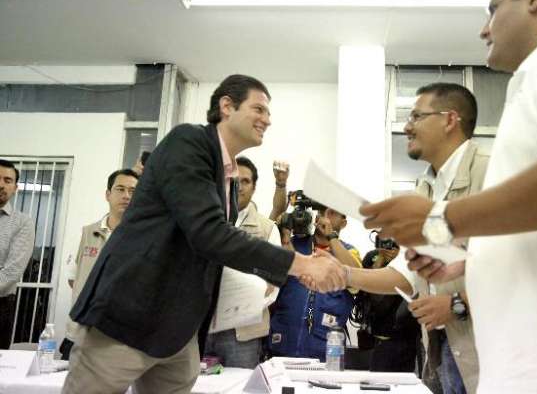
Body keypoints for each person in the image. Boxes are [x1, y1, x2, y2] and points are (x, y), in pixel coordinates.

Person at [361, 0, 537, 393]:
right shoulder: (534, 82)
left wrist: (442, 222)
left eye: (493, 8)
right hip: (524, 364)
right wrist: (470, 259)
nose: (485, 29)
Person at [62, 74, 347, 394]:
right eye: (259, 109)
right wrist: (302, 265)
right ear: (227, 105)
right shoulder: (189, 142)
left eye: (268, 113)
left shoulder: (228, 179)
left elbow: (214, 247)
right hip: (128, 319)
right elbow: (210, 234)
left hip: (178, 334)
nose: (267, 119)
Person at [346, 83, 487, 394]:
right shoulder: (425, 190)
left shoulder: (490, 172)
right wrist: (342, 273)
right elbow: (404, 275)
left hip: (490, 351)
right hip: (444, 349)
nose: (407, 127)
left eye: (416, 116)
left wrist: (459, 305)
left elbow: (521, 265)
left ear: (450, 120)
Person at [202, 156, 281, 368]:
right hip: (200, 326)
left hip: (242, 333)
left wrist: (240, 310)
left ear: (254, 187)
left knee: (239, 387)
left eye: (245, 181)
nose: (238, 186)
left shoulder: (267, 229)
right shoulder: (203, 223)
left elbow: (272, 286)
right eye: (232, 180)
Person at [60, 169, 139, 360]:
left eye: (133, 191)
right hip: (80, 334)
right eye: (120, 189)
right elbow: (73, 280)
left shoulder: (144, 239)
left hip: (121, 338)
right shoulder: (86, 234)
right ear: (108, 194)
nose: (126, 196)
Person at [269, 201, 361, 360]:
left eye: (331, 213)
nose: (323, 217)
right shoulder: (295, 244)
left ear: (343, 223)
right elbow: (276, 269)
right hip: (283, 343)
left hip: (326, 351)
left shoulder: (349, 251)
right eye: (320, 211)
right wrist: (284, 233)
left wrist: (332, 237)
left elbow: (357, 278)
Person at [351, 236, 423, 374]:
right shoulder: (372, 257)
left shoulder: (410, 258)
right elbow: (364, 291)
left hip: (406, 333)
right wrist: (380, 261)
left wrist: (400, 262)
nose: (387, 244)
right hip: (376, 336)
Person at [0, 159, 35, 349]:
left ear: (15, 188)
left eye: (7, 180)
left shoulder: (22, 222)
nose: (1, 184)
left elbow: (12, 271)